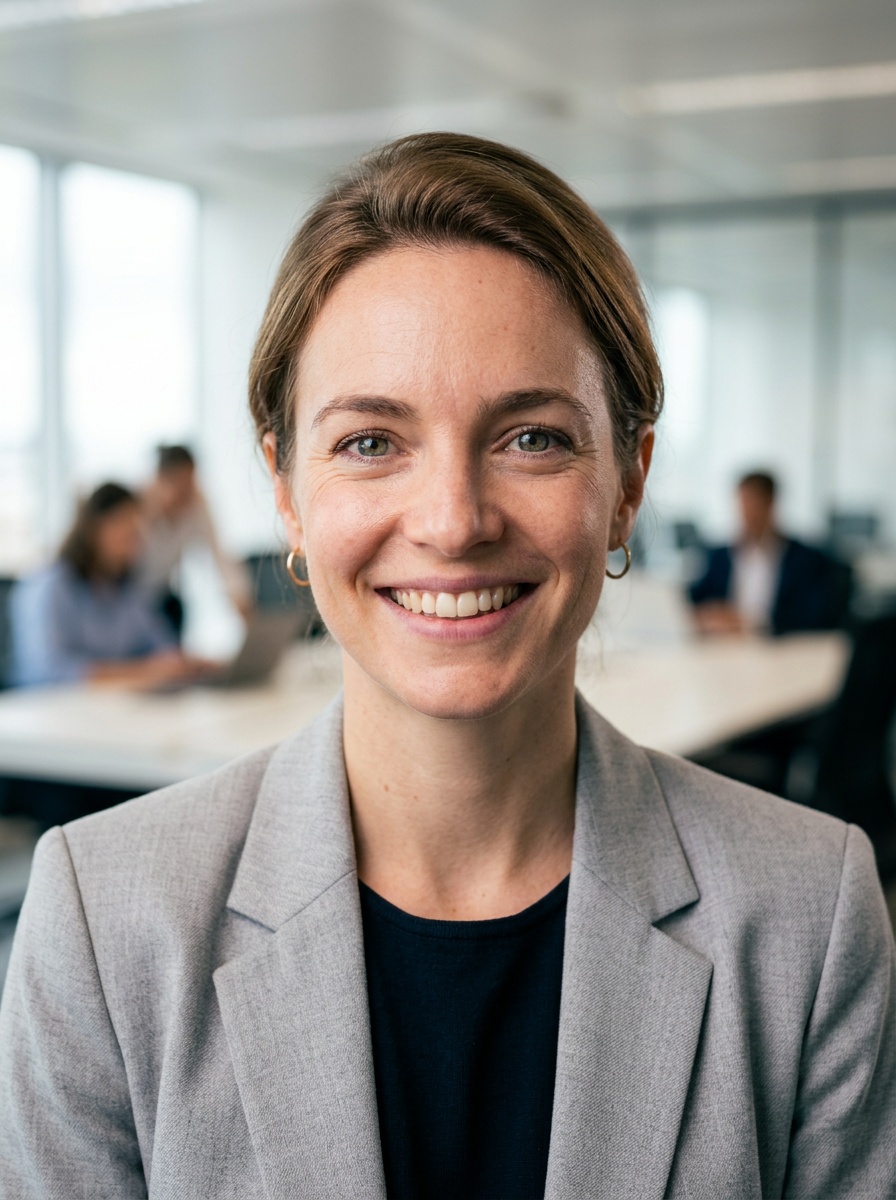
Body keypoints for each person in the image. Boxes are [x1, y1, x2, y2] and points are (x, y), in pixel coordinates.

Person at [1, 135, 893, 1199]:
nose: (452, 523)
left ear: (626, 482)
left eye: (531, 438)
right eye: (371, 443)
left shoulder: (807, 917)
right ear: (285, 489)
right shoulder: (106, 922)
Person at [9, 482, 206, 690]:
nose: (134, 541)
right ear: (94, 529)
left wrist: (185, 664)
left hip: (110, 708)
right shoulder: (50, 587)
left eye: (137, 532)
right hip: (46, 710)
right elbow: (51, 671)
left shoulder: (127, 590)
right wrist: (144, 672)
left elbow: (162, 646)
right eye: (125, 527)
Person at [688, 470, 847, 636]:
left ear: (770, 504)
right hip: (724, 646)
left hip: (780, 647)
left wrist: (752, 622)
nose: (746, 514)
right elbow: (697, 600)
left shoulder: (805, 559)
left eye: (752, 504)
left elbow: (813, 616)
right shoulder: (721, 555)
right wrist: (712, 614)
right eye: (742, 505)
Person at [139, 443, 253, 635]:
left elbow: (222, 558)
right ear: (159, 480)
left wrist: (242, 603)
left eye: (189, 484)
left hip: (164, 598)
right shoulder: (136, 503)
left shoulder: (197, 503)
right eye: (178, 485)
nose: (185, 494)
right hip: (128, 599)